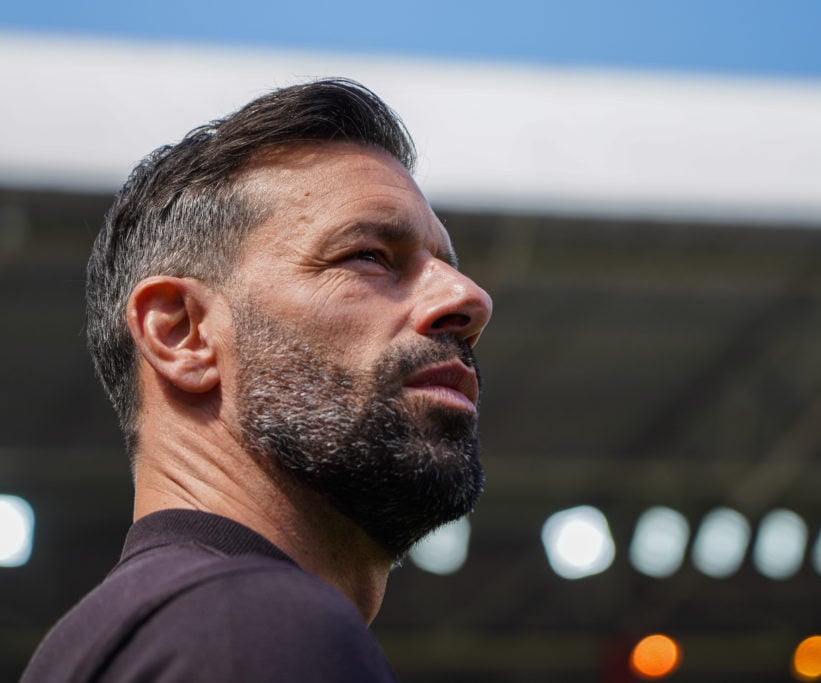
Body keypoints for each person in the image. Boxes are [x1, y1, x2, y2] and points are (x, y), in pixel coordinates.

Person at [21, 78, 493, 682]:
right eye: (369, 256)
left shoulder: (112, 642)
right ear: (181, 334)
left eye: (447, 267)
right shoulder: (254, 629)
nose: (469, 298)